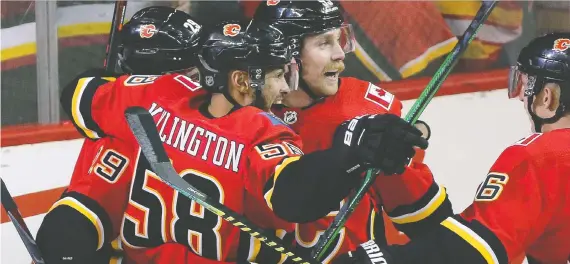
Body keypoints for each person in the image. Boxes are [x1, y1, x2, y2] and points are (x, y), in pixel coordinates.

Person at [46, 13, 427, 263]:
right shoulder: (259, 131)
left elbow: (80, 93)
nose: (284, 89)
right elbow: (295, 196)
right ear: (241, 80)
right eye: (277, 75)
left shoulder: (154, 95)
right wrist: (350, 155)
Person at [333, 32, 570, 264]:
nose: (520, 98)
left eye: (525, 85)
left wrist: (387, 259)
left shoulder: (540, 157)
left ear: (546, 97)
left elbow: (475, 250)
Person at [248, 1, 451, 262]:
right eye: (324, 43)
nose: (340, 54)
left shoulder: (365, 110)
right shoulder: (241, 112)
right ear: (284, 52)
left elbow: (426, 218)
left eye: (339, 39)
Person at [35, 6, 211, 264]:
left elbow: (81, 94)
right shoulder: (128, 141)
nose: (204, 84)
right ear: (165, 78)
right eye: (194, 75)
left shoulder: (112, 106)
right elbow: (68, 231)